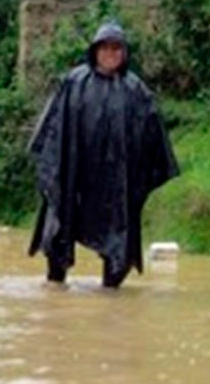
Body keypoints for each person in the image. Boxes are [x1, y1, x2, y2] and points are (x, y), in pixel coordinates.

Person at [28, 21, 179, 289]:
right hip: (75, 174)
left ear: (124, 53)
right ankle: (55, 287)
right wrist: (53, 170)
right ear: (95, 51)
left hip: (115, 181)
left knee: (119, 241)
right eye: (105, 48)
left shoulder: (136, 91)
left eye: (116, 48)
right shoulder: (74, 82)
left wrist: (141, 172)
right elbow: (54, 128)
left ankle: (111, 291)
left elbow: (151, 136)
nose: (111, 54)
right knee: (59, 231)